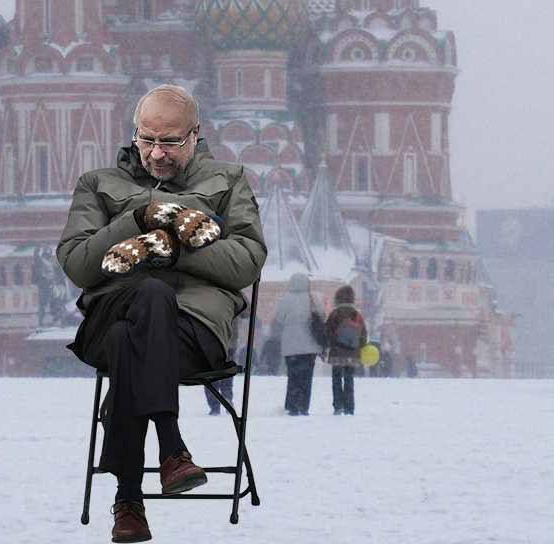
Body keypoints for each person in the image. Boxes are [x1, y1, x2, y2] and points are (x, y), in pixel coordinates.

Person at [57, 85, 266, 544]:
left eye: (169, 142)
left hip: (193, 333)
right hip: (110, 312)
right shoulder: (98, 184)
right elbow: (77, 264)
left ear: (195, 136)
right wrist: (138, 219)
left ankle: (127, 500)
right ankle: (171, 447)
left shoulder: (227, 181)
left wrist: (171, 253)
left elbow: (247, 261)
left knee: (128, 340)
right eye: (146, 139)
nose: (156, 152)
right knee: (144, 300)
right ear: (135, 134)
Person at [271, 273, 324, 415]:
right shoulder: (313, 298)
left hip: (291, 346)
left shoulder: (285, 299)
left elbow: (279, 318)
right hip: (310, 346)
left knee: (293, 376)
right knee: (307, 377)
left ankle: (292, 406)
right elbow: (321, 316)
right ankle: (304, 406)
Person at [325, 284, 368, 415]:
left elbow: (327, 332)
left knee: (336, 378)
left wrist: (329, 345)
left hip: (337, 352)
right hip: (352, 353)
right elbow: (363, 335)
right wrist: (359, 347)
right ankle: (349, 407)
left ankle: (338, 406)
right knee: (349, 379)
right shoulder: (357, 314)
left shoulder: (335, 313)